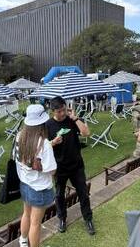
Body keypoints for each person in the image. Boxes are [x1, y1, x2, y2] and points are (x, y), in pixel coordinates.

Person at [45, 96, 95, 235]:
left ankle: (88, 219)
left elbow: (86, 133)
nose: (62, 114)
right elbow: (42, 148)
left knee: (83, 193)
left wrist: (75, 118)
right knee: (59, 195)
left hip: (76, 165)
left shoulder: (71, 120)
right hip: (59, 167)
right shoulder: (48, 125)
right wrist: (53, 143)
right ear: (52, 111)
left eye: (64, 110)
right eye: (59, 111)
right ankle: (62, 219)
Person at [15, 104, 57, 247]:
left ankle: (23, 240)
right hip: (39, 188)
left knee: (26, 214)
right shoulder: (43, 143)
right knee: (36, 224)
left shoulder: (19, 136)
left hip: (25, 183)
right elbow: (52, 170)